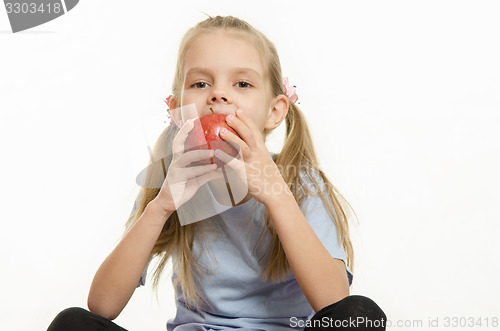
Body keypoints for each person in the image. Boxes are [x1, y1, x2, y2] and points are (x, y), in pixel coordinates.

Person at [47, 15, 387, 331]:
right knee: (72, 324)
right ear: (176, 110)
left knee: (362, 315)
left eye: (241, 83)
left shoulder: (303, 184)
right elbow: (101, 306)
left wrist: (276, 196)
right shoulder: (171, 182)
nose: (218, 94)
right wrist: (161, 206)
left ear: (274, 111)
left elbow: (335, 302)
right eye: (199, 84)